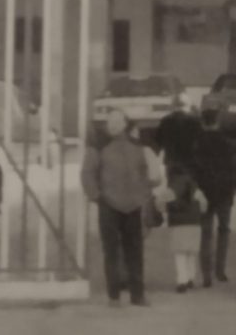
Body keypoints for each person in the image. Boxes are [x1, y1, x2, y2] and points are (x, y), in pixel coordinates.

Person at [81, 109, 152, 307]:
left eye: (117, 122)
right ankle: (114, 296)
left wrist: (143, 196)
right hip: (109, 206)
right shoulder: (98, 147)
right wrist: (97, 197)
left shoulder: (137, 146)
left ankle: (138, 295)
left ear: (124, 124)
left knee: (135, 251)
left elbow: (144, 172)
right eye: (110, 122)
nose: (112, 125)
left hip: (133, 206)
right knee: (111, 251)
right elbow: (87, 174)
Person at [194, 106, 236, 286]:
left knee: (205, 233)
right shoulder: (230, 144)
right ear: (217, 122)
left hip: (204, 193)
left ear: (202, 123)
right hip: (225, 193)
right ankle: (221, 270)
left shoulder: (196, 143)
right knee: (224, 230)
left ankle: (206, 274)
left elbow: (192, 171)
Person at [159, 161, 206, 293]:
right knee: (191, 253)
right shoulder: (195, 186)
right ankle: (191, 278)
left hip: (179, 223)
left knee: (180, 253)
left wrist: (164, 209)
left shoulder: (173, 186)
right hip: (195, 223)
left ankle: (182, 281)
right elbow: (203, 205)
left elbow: (163, 202)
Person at [155, 91, 202, 170]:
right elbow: (201, 140)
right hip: (190, 162)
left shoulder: (165, 120)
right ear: (189, 105)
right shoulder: (195, 121)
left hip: (172, 162)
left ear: (173, 105)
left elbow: (159, 140)